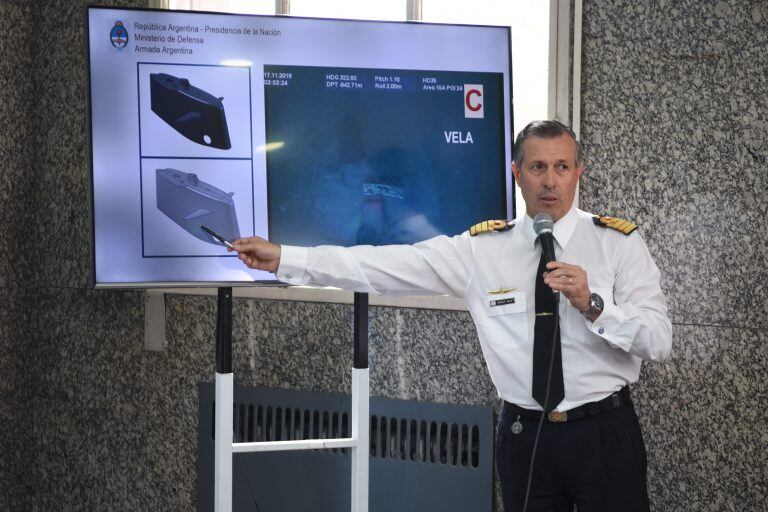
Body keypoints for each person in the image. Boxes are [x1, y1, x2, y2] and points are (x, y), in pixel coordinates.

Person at [231, 120, 672, 512]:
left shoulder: (617, 243)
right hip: (524, 432)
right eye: (537, 168)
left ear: (579, 173)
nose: (550, 181)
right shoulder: (482, 250)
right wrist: (285, 259)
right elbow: (383, 265)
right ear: (516, 174)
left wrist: (593, 303)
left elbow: (658, 340)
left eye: (561, 167)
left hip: (605, 432)